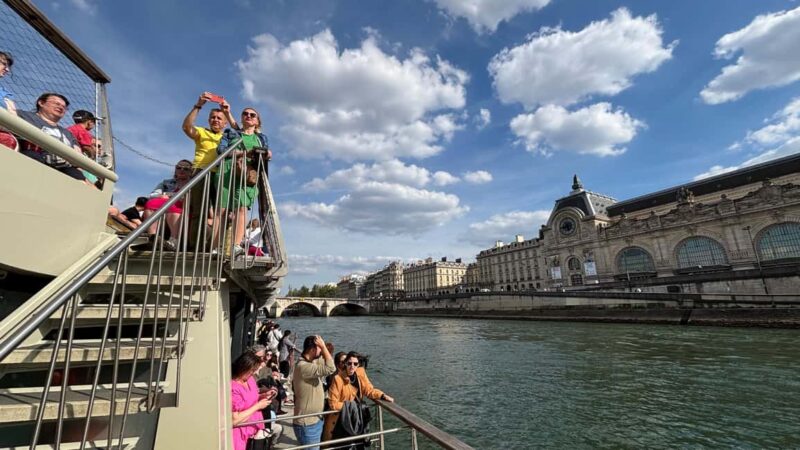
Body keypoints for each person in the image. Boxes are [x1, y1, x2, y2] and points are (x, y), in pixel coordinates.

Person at [214, 107, 271, 256]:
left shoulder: (261, 138)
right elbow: (221, 151)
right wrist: (244, 153)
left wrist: (267, 154)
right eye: (245, 114)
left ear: (257, 121)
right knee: (222, 210)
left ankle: (236, 245)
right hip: (228, 170)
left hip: (249, 174)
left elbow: (265, 154)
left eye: (253, 115)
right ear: (241, 118)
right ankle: (215, 248)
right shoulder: (231, 133)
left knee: (241, 208)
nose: (249, 116)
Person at [17, 93, 89, 183]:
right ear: (41, 103)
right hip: (31, 158)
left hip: (62, 167)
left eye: (64, 107)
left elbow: (77, 155)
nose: (61, 107)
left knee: (76, 175)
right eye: (56, 103)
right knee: (32, 155)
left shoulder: (68, 134)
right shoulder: (23, 115)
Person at [323, 352, 394, 443]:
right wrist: (352, 407)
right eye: (349, 363)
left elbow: (369, 390)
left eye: (355, 364)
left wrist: (382, 395)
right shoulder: (338, 379)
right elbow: (333, 404)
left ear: (358, 365)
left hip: (356, 419)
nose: (352, 366)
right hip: (340, 421)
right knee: (342, 445)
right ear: (345, 364)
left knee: (358, 444)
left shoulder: (360, 373)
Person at [292, 335, 336, 449]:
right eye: (319, 349)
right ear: (312, 350)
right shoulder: (303, 367)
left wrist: (325, 347)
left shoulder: (310, 363)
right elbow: (331, 368)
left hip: (314, 420)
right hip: (307, 424)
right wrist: (323, 347)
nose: (321, 352)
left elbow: (326, 362)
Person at [141, 160, 193, 250]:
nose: (182, 170)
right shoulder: (166, 182)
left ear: (191, 171)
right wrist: (163, 195)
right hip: (167, 203)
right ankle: (152, 237)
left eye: (186, 169)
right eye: (179, 168)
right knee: (151, 203)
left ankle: (174, 241)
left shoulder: (193, 183)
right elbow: (152, 195)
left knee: (172, 206)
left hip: (183, 206)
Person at [231, 351, 277, 450]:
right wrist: (258, 406)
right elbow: (234, 420)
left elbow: (251, 399)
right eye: (253, 370)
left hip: (255, 432)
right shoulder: (233, 387)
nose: (255, 373)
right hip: (240, 436)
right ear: (244, 368)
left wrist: (264, 395)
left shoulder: (250, 379)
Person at [0, 51, 18, 151]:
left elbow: (12, 119)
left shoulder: (6, 93)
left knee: (8, 140)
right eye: (4, 64)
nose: (7, 69)